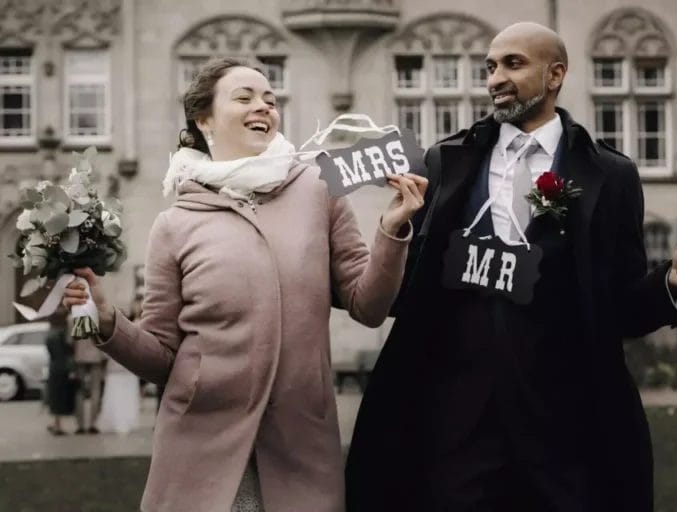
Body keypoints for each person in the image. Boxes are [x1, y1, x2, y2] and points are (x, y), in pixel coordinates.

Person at [346, 22, 677, 512]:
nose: (496, 77)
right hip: (458, 419)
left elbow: (621, 307)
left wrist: (671, 282)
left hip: (564, 422)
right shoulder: (446, 162)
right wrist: (392, 231)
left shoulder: (610, 174)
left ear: (555, 74)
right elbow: (409, 291)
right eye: (490, 67)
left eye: (513, 64)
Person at [62, 57, 427, 512]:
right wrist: (107, 320)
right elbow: (161, 356)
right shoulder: (173, 224)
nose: (264, 106)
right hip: (200, 443)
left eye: (270, 99)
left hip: (300, 438)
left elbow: (367, 306)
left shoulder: (319, 189)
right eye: (244, 97)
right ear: (204, 119)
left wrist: (391, 229)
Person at [44, 310, 77, 435]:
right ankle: (57, 425)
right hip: (63, 367)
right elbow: (69, 350)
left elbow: (50, 351)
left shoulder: (50, 334)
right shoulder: (62, 334)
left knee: (54, 396)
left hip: (53, 367)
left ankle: (55, 422)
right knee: (60, 396)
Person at [72, 323, 107, 435]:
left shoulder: (72, 319)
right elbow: (102, 339)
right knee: (95, 390)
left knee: (79, 391)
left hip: (79, 357)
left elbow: (70, 341)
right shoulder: (97, 318)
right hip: (96, 357)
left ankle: (80, 425)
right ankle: (93, 424)